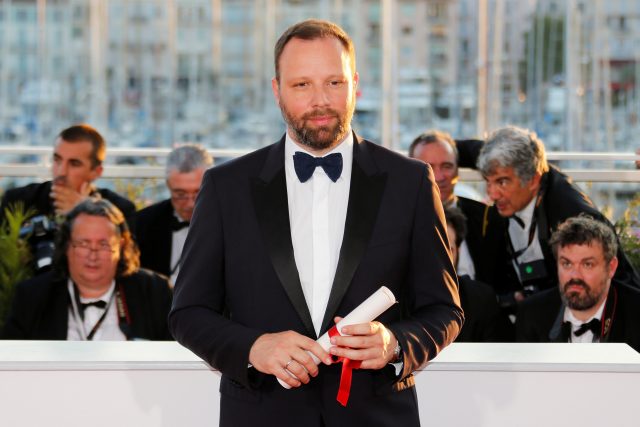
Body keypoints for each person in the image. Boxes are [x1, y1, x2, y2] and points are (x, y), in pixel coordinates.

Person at [169, 19, 462, 426]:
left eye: (334, 83)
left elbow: (444, 309)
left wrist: (395, 344)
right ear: (277, 91)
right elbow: (187, 312)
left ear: (355, 85)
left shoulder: (410, 182)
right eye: (302, 85)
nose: (320, 100)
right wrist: (254, 348)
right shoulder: (226, 187)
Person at [456, 126, 639, 308]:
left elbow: (619, 285)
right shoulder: (507, 163)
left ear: (534, 180)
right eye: (488, 181)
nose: (492, 194)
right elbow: (459, 150)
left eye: (502, 182)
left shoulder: (572, 216)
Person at [2, 198, 173, 341]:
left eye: (103, 244)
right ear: (67, 245)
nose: (93, 255)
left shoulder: (155, 292)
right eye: (84, 244)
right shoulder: (33, 296)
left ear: (121, 246)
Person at [0, 125, 136, 272]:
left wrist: (82, 212)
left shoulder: (119, 210)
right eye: (57, 160)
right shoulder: (18, 200)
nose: (61, 171)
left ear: (96, 172)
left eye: (74, 164)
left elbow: (125, 267)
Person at [516, 215, 640, 352]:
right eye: (567, 264)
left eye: (587, 264)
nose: (575, 275)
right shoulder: (532, 314)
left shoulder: (636, 313)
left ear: (611, 267)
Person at [409, 130, 507, 285]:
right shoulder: (396, 220)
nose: (438, 177)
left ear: (457, 171)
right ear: (411, 172)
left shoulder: (486, 217)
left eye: (447, 166)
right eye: (427, 167)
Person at [135, 145, 212, 283]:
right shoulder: (143, 224)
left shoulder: (233, 223)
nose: (190, 204)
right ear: (168, 186)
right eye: (180, 194)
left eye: (198, 193)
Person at [444, 205, 513, 342]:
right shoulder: (396, 300)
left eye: (448, 249)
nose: (440, 257)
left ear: (458, 251)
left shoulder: (481, 299)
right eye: (432, 248)